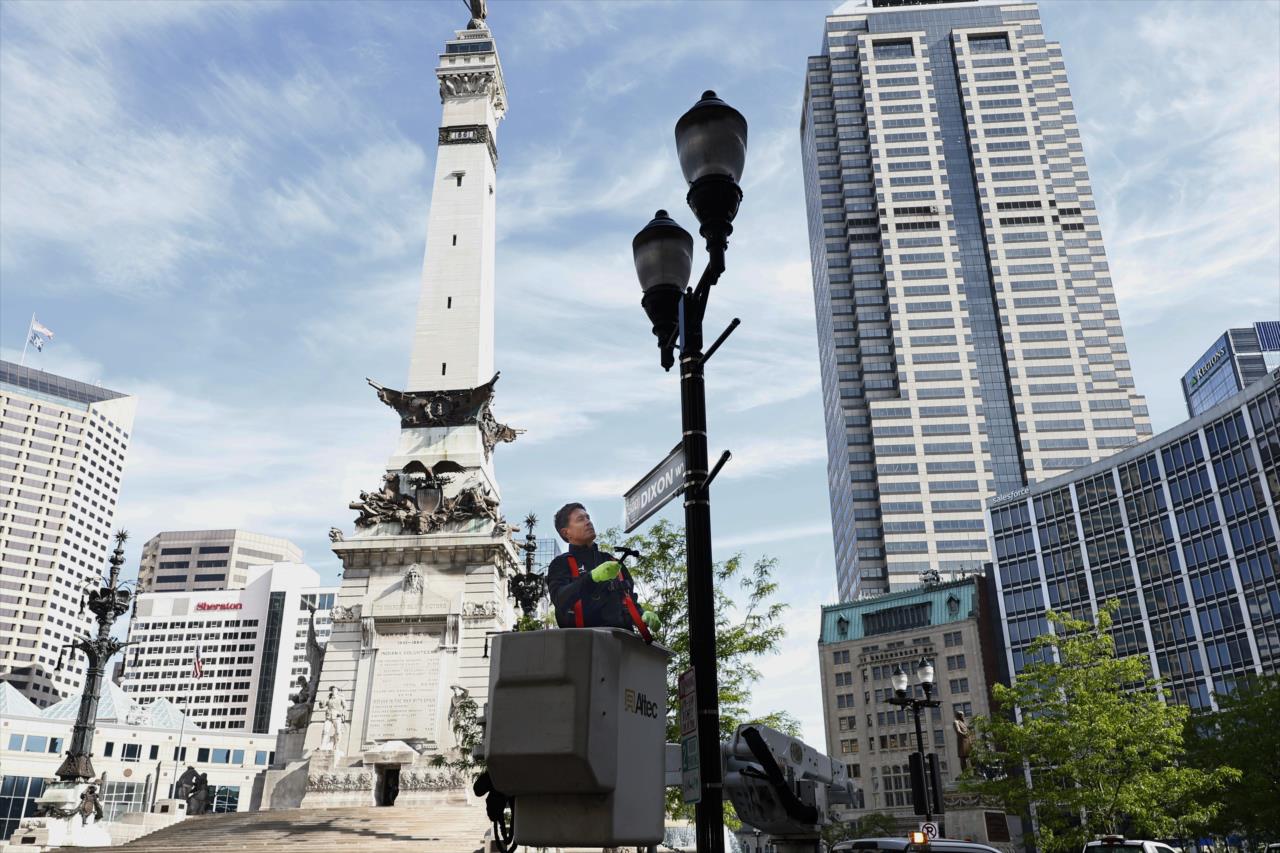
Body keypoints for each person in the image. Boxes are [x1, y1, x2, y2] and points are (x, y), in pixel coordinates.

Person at [546, 503, 659, 633]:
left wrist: (642, 615)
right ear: (566, 532)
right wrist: (591, 578)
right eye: (580, 519)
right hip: (584, 645)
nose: (588, 522)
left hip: (623, 644)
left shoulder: (613, 562)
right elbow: (560, 599)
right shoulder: (560, 564)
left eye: (588, 517)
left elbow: (628, 602)